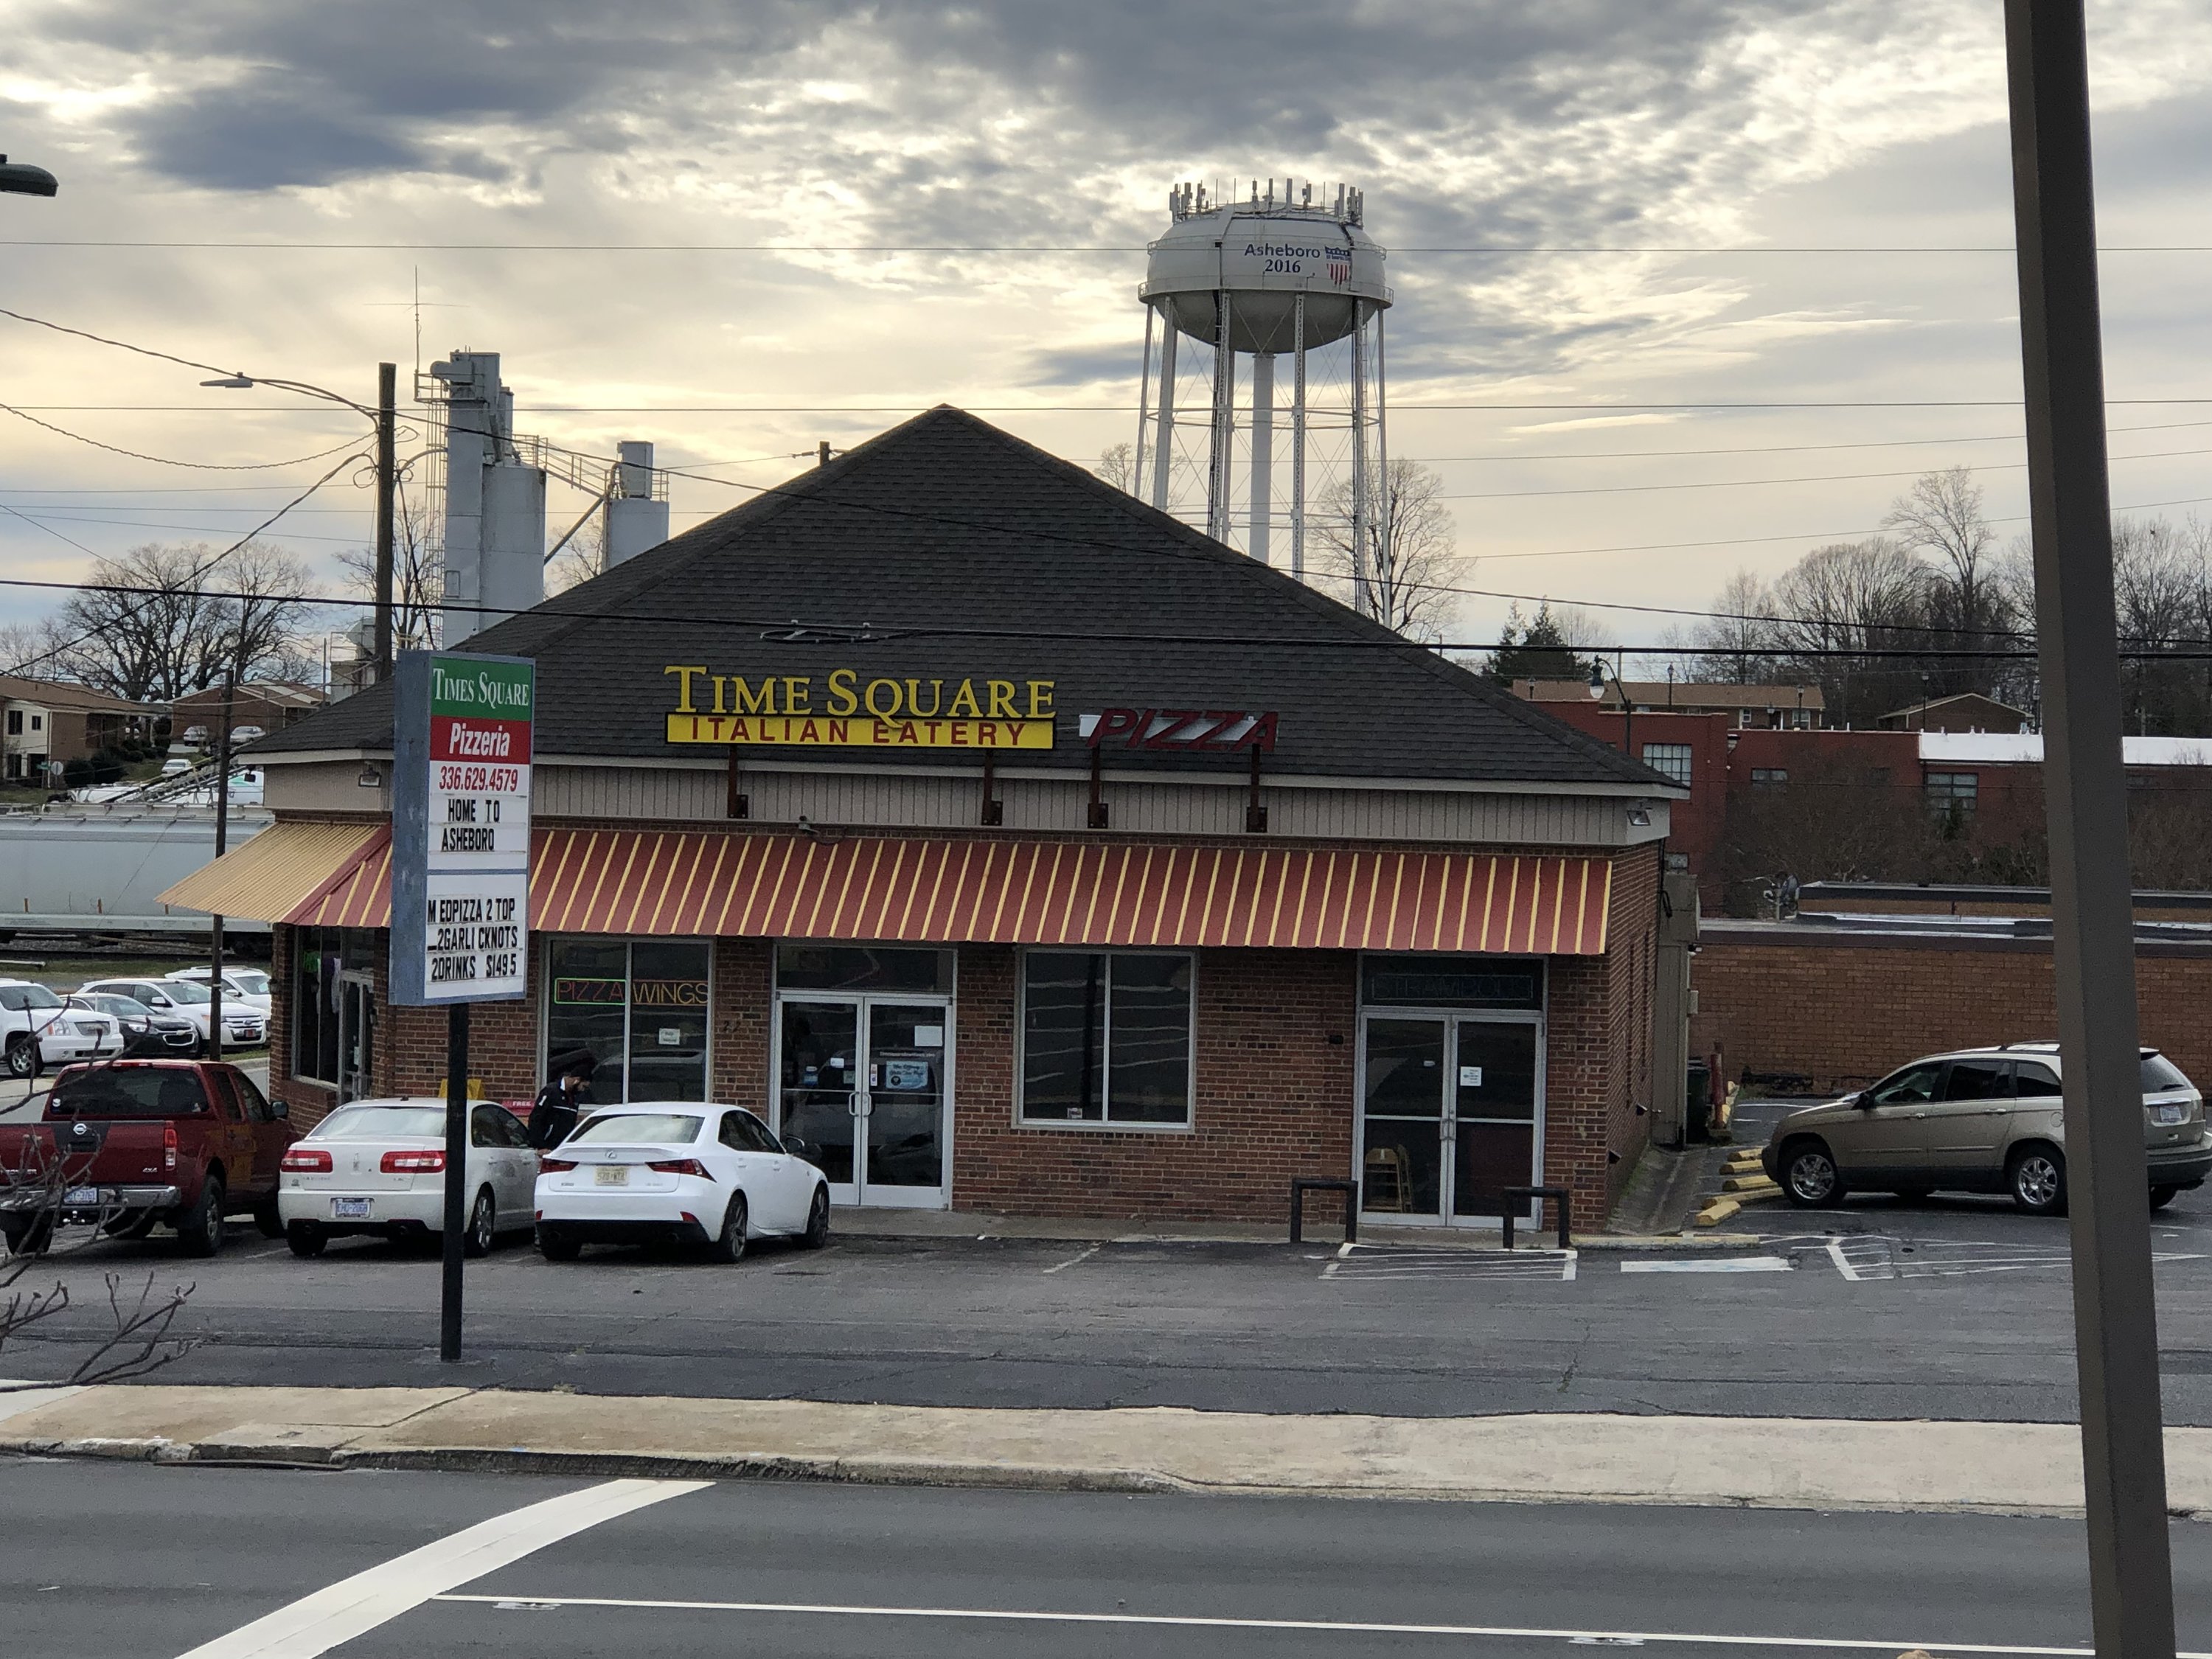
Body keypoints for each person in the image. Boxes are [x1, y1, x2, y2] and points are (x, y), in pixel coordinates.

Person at [529, 1049, 597, 1150]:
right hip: (547, 1147)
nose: (583, 1090)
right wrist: (540, 1146)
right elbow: (536, 1119)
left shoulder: (575, 1098)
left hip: (562, 1148)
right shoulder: (551, 1092)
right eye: (583, 1086)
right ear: (576, 1080)